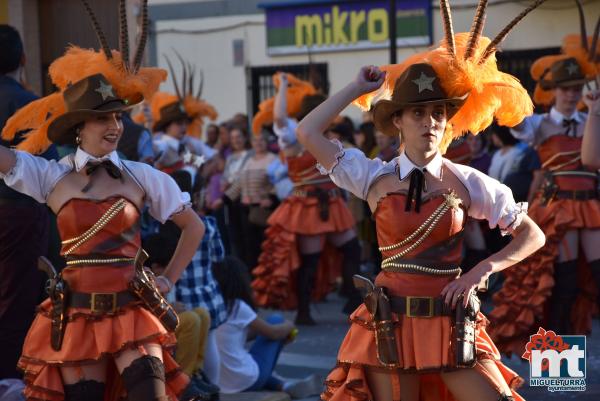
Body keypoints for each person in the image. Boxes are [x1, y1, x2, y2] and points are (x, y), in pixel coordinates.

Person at [295, 2, 548, 399]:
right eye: (416, 113)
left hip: (452, 324)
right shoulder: (372, 176)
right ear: (397, 120)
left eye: (436, 113)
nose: (429, 122)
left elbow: (533, 236)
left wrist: (482, 270)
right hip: (389, 324)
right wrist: (357, 88)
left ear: (447, 120)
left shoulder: (470, 182)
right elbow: (308, 131)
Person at [0, 5, 205, 399]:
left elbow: (193, 226)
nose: (115, 127)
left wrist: (168, 278)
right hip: (76, 314)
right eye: (103, 120)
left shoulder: (141, 175)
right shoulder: (52, 176)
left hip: (132, 311)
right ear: (79, 128)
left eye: (119, 119)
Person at [490, 52, 600, 352]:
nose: (571, 94)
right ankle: (556, 366)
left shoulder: (593, 116)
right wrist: (498, 90)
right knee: (562, 286)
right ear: (553, 90)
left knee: (592, 278)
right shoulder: (538, 124)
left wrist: (594, 111)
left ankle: (566, 357)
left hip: (589, 205)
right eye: (565, 88)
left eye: (576, 87)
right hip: (556, 207)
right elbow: (513, 124)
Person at [251, 72, 362, 325]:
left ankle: (353, 298)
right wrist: (282, 87)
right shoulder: (295, 133)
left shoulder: (328, 135)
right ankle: (304, 309)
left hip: (332, 201)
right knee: (310, 259)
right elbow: (279, 117)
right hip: (307, 204)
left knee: (353, 249)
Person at [0, 24, 59, 380]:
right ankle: (8, 380)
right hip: (16, 211)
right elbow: (48, 167)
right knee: (15, 299)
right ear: (23, 59)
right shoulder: (27, 102)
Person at [213, 256, 321, 399]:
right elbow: (274, 333)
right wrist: (289, 326)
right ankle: (281, 383)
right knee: (276, 320)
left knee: (249, 358)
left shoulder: (212, 305)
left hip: (219, 381)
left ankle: (285, 385)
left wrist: (261, 333)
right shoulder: (237, 306)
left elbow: (235, 335)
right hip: (246, 380)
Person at [239, 132, 277, 268]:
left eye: (261, 140)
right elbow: (239, 183)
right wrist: (225, 198)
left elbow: (279, 183)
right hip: (247, 209)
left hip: (264, 209)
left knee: (265, 243)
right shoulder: (249, 160)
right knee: (250, 245)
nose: (258, 143)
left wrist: (271, 198)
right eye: (255, 140)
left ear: (266, 142)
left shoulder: (273, 159)